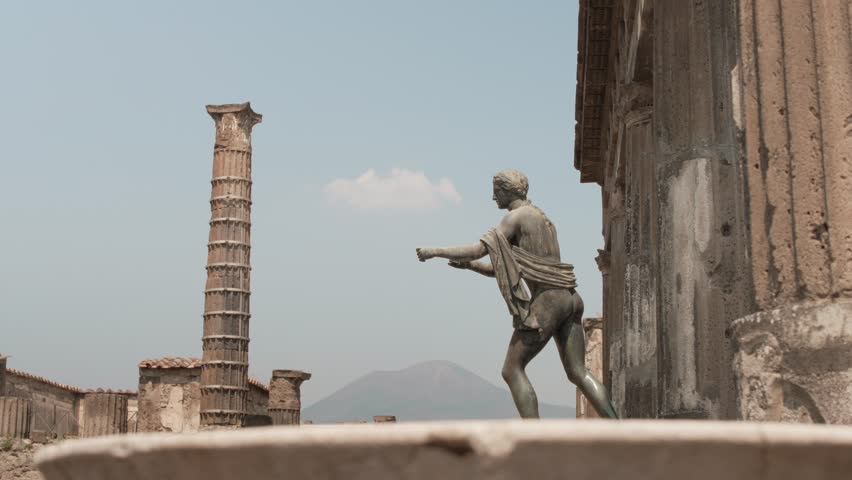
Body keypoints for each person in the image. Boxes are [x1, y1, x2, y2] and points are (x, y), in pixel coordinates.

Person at [416, 169, 618, 419]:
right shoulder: (543, 219)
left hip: (549, 301)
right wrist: (469, 267)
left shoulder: (515, 218)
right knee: (578, 372)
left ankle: (534, 440)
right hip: (570, 297)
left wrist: (436, 251)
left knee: (512, 369)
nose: (493, 198)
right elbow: (505, 267)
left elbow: (478, 249)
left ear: (506, 190)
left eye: (496, 192)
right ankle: (619, 426)